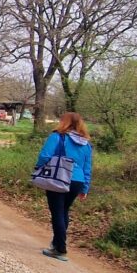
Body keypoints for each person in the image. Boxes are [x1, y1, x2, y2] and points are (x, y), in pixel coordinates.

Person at [35, 112, 93, 262]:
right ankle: (56, 244)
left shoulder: (57, 136)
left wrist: (39, 168)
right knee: (64, 211)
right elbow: (87, 167)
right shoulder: (86, 144)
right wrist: (85, 188)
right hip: (77, 182)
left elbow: (45, 156)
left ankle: (60, 248)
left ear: (64, 122)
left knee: (57, 213)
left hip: (59, 178)